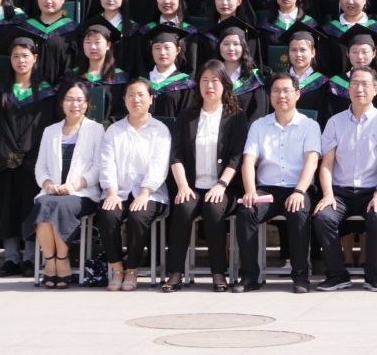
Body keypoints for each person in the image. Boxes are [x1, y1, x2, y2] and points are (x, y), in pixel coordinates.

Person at [163, 62, 250, 292]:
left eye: (215, 81)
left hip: (224, 186)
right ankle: (175, 272)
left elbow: (237, 156)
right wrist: (183, 186)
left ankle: (218, 272)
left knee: (213, 209)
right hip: (192, 185)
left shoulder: (236, 116)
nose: (209, 86)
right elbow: (176, 154)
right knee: (182, 208)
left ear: (225, 85)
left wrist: (221, 184)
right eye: (204, 80)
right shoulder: (187, 116)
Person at [233, 70, 322, 293]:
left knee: (298, 212)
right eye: (276, 91)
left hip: (297, 188)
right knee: (246, 212)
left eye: (286, 91)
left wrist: (299, 192)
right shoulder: (259, 125)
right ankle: (249, 276)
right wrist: (250, 191)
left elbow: (312, 161)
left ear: (297, 94)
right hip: (267, 190)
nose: (281, 95)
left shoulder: (309, 125)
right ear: (270, 95)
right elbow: (248, 161)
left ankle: (300, 276)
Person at [312, 66, 377, 291]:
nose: (360, 89)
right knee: (323, 218)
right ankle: (337, 275)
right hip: (340, 192)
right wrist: (328, 194)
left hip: (372, 191)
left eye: (365, 84)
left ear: (375, 90)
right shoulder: (334, 122)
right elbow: (326, 164)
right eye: (355, 84)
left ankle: (374, 276)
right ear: (348, 89)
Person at [0, 33, 56, 277]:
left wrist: (27, 155)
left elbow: (44, 126)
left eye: (25, 55)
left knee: (30, 208)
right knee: (6, 208)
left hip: (34, 162)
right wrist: (10, 155)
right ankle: (11, 258)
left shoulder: (47, 92)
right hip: (6, 162)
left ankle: (31, 258)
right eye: (15, 56)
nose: (20, 60)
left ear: (35, 58)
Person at [97, 78, 171, 291]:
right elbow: (106, 163)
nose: (136, 99)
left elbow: (159, 164)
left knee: (138, 218)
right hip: (118, 190)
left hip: (151, 193)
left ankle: (132, 269)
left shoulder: (160, 130)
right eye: (131, 95)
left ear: (151, 99)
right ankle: (116, 268)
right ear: (124, 100)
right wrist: (111, 192)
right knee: (107, 215)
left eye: (141, 95)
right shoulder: (114, 130)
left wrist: (145, 192)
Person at [30, 81, 103, 289]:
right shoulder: (50, 131)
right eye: (70, 99)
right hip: (52, 192)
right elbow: (40, 166)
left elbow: (98, 167)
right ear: (62, 102)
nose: (75, 104)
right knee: (43, 204)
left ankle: (62, 259)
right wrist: (47, 184)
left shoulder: (96, 130)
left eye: (80, 100)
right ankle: (50, 260)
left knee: (58, 206)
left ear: (87, 103)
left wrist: (74, 186)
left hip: (83, 193)